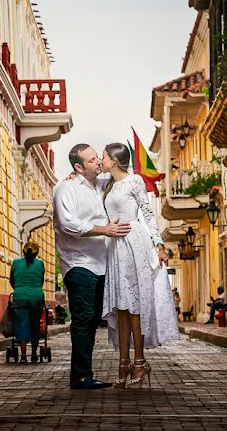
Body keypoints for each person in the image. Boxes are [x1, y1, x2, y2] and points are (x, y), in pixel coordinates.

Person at [100, 143, 179, 390]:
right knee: (121, 307)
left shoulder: (134, 181)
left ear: (113, 160)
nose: (101, 160)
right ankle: (122, 363)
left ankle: (139, 361)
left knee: (135, 306)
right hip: (115, 247)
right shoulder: (107, 186)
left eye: (103, 157)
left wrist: (159, 243)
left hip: (134, 244)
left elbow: (146, 212)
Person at [53, 144, 131, 390]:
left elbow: (122, 171)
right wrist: (104, 229)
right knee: (84, 319)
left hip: (103, 265)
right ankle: (80, 377)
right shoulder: (65, 188)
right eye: (92, 160)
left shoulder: (101, 185)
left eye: (98, 156)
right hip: (79, 264)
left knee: (93, 319)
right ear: (78, 167)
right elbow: (67, 224)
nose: (98, 161)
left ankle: (84, 373)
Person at [9, 242, 46, 363]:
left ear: (24, 252)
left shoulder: (16, 263)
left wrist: (20, 289)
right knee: (35, 324)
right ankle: (34, 354)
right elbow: (41, 281)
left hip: (20, 297)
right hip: (36, 298)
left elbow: (12, 281)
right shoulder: (40, 264)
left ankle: (23, 356)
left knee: (22, 325)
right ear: (36, 253)